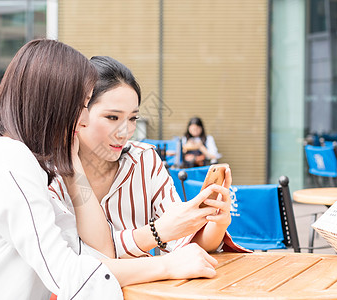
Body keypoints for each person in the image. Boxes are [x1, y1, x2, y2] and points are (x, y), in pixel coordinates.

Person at [0, 40, 219, 300]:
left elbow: (94, 254)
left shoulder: (36, 164)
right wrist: (167, 266)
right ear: (51, 104)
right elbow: (68, 274)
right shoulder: (8, 161)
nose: (83, 120)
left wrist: (74, 171)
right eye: (82, 105)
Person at [49, 56, 248, 260]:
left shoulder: (144, 161)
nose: (124, 132)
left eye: (133, 118)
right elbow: (76, 257)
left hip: (147, 288)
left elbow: (183, 238)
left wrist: (217, 223)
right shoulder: (48, 174)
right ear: (78, 115)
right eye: (112, 117)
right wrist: (155, 232)